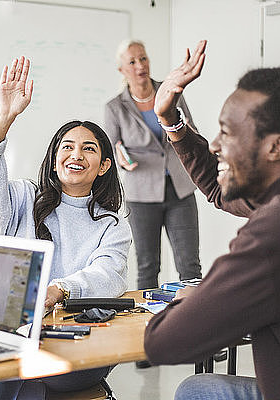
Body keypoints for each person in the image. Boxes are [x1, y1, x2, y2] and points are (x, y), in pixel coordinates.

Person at [144, 40, 280, 399]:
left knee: (195, 392)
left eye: (227, 132)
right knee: (200, 386)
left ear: (276, 147)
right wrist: (170, 119)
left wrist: (195, 297)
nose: (215, 144)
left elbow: (163, 344)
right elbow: (220, 192)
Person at [0, 56, 131, 399]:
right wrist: (4, 118)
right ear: (54, 163)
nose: (77, 154)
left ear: (103, 166)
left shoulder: (112, 223)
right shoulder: (23, 197)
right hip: (17, 337)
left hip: (80, 344)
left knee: (19, 368)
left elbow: (109, 274)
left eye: (89, 149)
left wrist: (58, 291)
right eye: (67, 147)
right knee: (16, 360)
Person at [104, 39, 202, 293]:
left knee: (189, 266)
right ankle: (147, 326)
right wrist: (120, 157)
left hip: (180, 189)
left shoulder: (170, 90)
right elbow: (111, 150)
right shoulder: (115, 107)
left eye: (143, 58)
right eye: (133, 62)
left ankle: (192, 320)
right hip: (142, 193)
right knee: (148, 266)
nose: (140, 66)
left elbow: (190, 130)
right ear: (122, 70)